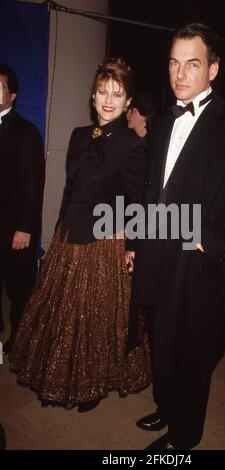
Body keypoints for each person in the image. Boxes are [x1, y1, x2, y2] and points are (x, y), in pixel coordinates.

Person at [127, 23, 225, 449]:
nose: (180, 73)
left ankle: (184, 436)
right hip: (156, 259)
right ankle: (166, 407)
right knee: (161, 343)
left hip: (198, 265)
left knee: (192, 354)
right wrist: (136, 240)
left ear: (212, 69)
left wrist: (213, 239)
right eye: (174, 63)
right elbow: (149, 190)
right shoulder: (160, 121)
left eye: (192, 63)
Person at [10, 58, 151, 411]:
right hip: (69, 235)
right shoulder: (77, 136)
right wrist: (59, 229)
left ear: (128, 101)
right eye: (103, 91)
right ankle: (60, 377)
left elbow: (138, 202)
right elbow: (71, 189)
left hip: (104, 242)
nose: (108, 100)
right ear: (92, 95)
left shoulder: (133, 145)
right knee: (61, 316)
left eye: (117, 94)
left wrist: (130, 244)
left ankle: (92, 385)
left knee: (95, 322)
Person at [0, 63, 45, 355]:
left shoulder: (26, 132)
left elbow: (33, 185)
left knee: (19, 291)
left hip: (15, 229)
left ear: (12, 94)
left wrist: (25, 228)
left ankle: (20, 340)